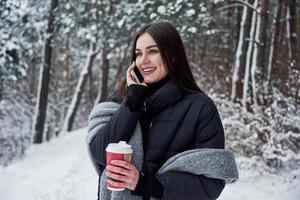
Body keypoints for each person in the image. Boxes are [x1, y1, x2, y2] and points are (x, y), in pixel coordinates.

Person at [87, 22, 238, 200]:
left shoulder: (200, 107)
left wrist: (145, 184)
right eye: (138, 53)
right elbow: (99, 153)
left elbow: (210, 183)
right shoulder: (123, 100)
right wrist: (132, 102)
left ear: (172, 56)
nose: (143, 60)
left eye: (153, 51)